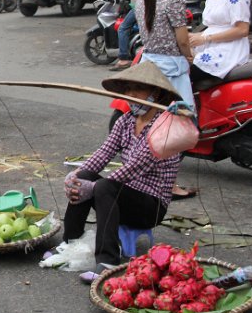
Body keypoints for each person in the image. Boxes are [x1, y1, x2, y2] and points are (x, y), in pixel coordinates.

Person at [57, 61, 181, 281]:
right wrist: (76, 177)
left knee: (103, 186)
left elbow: (135, 167)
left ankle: (107, 261)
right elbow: (103, 153)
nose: (131, 95)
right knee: (85, 177)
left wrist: (92, 188)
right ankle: (70, 243)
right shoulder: (125, 121)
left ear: (156, 93)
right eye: (128, 89)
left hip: (150, 205)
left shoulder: (164, 128)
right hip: (120, 195)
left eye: (138, 89)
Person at [133, 0, 194, 107]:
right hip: (172, 68)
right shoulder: (173, 1)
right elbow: (183, 41)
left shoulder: (139, 1)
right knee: (184, 116)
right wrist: (190, 57)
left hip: (148, 64)